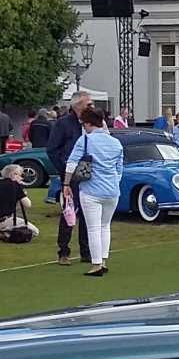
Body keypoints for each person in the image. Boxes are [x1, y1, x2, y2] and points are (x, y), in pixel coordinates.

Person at [63, 107, 122, 277]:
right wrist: (114, 182)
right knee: (105, 226)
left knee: (94, 228)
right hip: (112, 190)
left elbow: (72, 163)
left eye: (84, 123)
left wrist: (66, 183)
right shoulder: (115, 142)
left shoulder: (85, 140)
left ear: (89, 123)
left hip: (91, 190)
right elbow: (119, 168)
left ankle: (96, 264)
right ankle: (103, 260)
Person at [47, 92, 91, 265]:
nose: (91, 107)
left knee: (88, 209)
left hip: (87, 168)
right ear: (77, 105)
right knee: (70, 211)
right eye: (88, 104)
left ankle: (86, 251)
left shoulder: (91, 123)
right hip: (69, 170)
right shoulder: (63, 124)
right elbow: (52, 149)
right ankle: (63, 251)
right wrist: (64, 169)